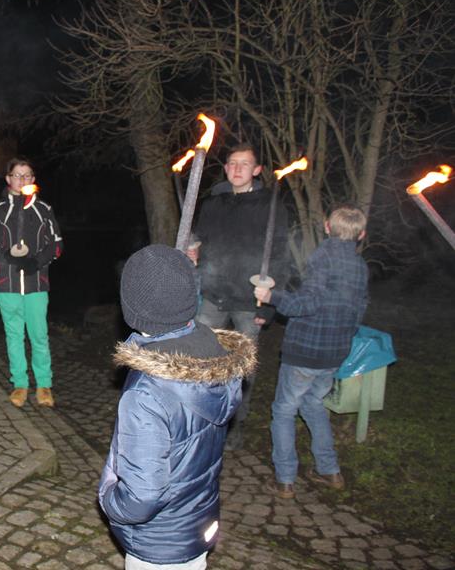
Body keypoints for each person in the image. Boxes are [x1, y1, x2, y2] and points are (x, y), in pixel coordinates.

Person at [99, 244, 256, 570]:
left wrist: (109, 499)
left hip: (158, 542)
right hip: (197, 521)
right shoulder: (213, 353)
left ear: (132, 308)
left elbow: (142, 497)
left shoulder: (146, 393)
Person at [254, 203, 369, 500]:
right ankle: (330, 471)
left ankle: (285, 480)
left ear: (327, 228)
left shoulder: (323, 257)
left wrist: (271, 296)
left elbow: (307, 304)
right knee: (313, 404)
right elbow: (359, 310)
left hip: (306, 351)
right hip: (335, 352)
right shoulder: (360, 266)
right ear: (361, 234)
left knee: (284, 410)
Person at [187, 142, 289, 450]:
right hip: (213, 295)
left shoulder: (270, 206)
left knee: (243, 368)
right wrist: (194, 249)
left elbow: (279, 256)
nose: (237, 168)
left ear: (257, 170)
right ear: (226, 168)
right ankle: (200, 417)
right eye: (232, 163)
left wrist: (269, 305)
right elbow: (200, 239)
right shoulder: (213, 204)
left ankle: (235, 424)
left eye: (244, 164)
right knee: (201, 359)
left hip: (249, 301)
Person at [0, 158, 63, 408]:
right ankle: (20, 384)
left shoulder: (43, 209)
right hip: (6, 283)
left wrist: (37, 262)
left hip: (37, 283)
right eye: (17, 175)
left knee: (39, 335)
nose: (22, 179)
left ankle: (44, 384)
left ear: (33, 179)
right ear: (8, 179)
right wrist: (7, 256)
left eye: (27, 175)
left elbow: (57, 245)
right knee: (14, 335)